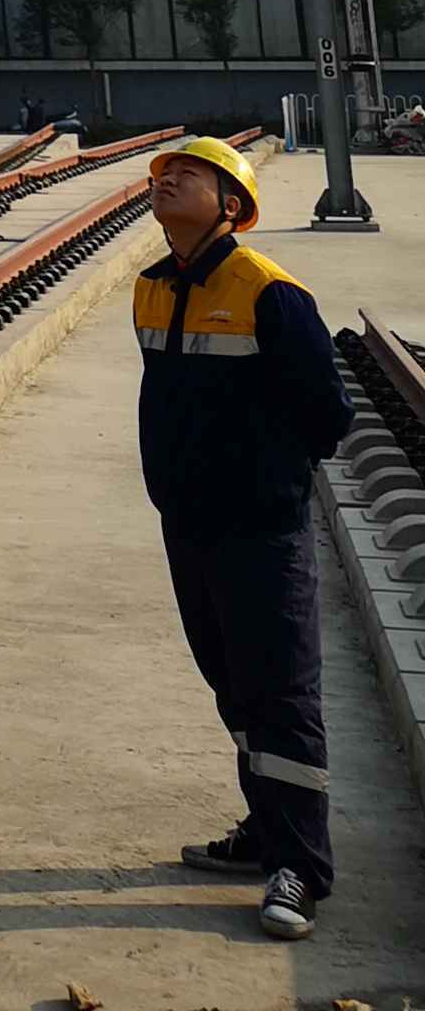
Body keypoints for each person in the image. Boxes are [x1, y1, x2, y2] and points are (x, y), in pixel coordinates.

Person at [135, 137, 353, 940]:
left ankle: (300, 867)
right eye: (162, 175)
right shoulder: (150, 290)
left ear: (232, 206)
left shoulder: (270, 292)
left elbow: (327, 414)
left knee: (283, 695)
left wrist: (263, 478)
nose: (169, 182)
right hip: (187, 525)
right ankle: (266, 831)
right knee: (233, 687)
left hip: (261, 529)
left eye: (189, 175)